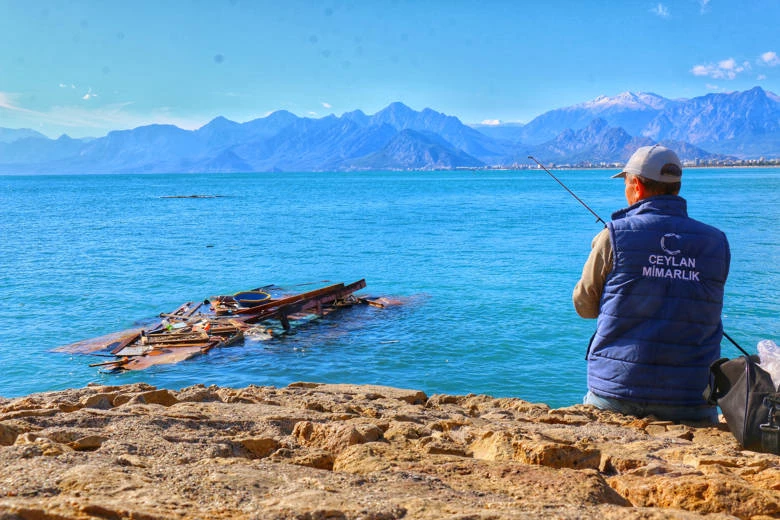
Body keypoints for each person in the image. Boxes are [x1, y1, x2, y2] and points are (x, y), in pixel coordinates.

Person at [573, 145, 730, 423]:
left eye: (625, 182)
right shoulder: (717, 242)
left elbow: (584, 306)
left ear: (636, 185)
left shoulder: (612, 236)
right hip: (693, 397)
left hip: (616, 393)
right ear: (676, 186)